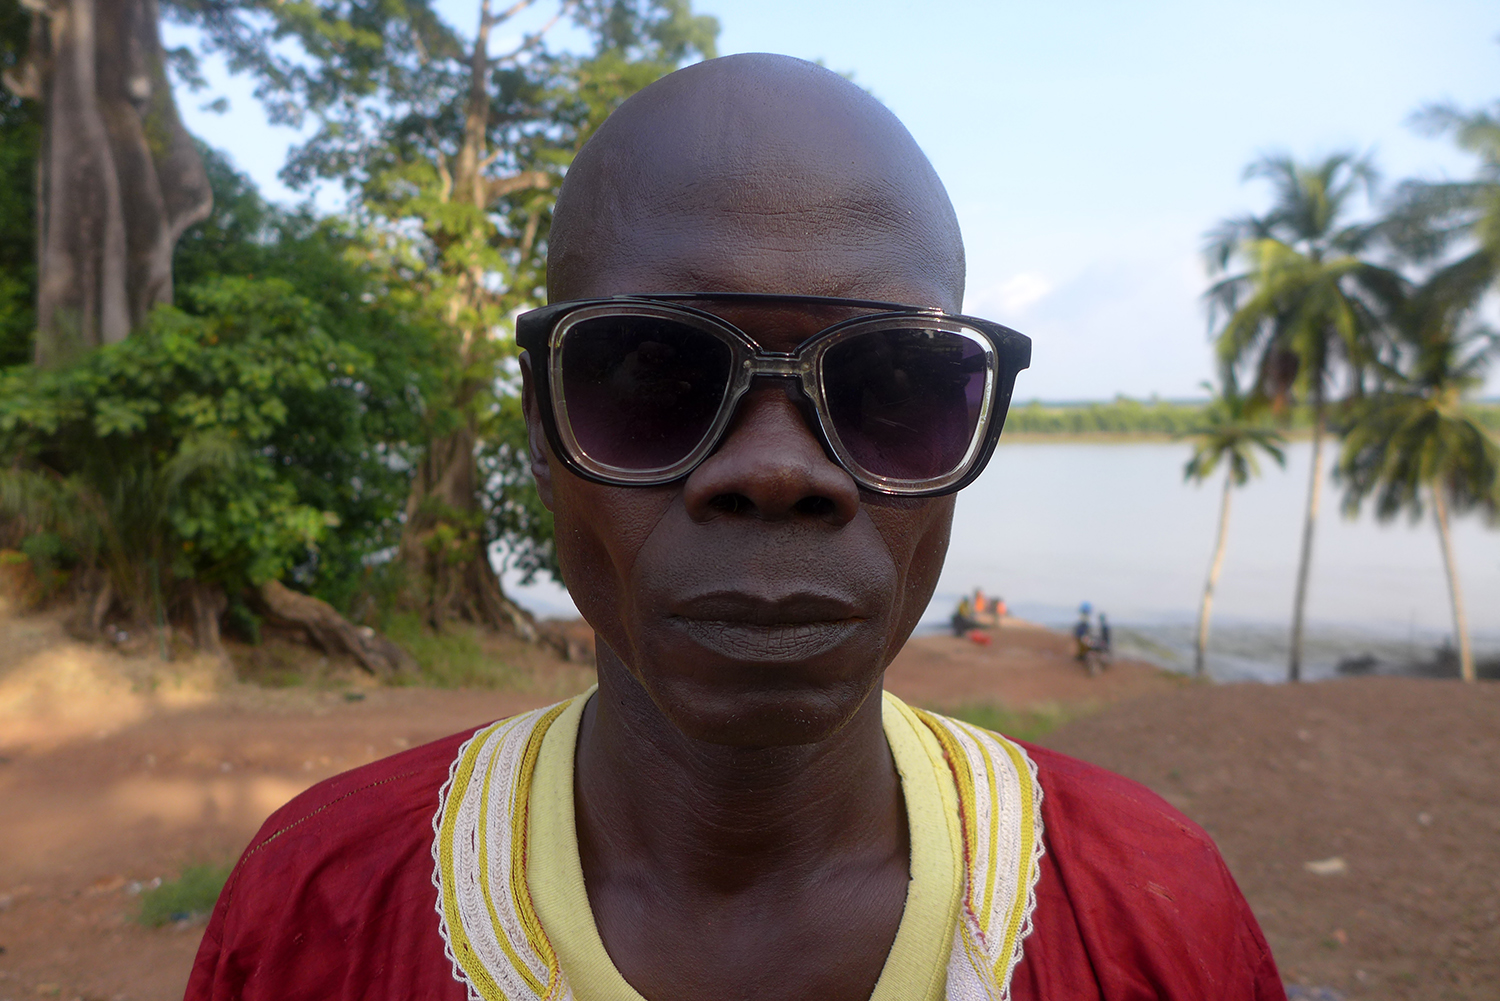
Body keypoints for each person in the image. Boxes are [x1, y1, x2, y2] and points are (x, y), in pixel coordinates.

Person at [185, 55, 1284, 1001]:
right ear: (541, 421)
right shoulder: (317, 908)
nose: (773, 470)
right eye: (652, 371)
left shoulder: (1147, 910)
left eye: (893, 382)